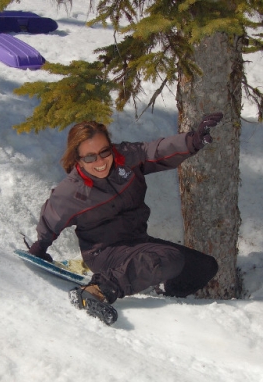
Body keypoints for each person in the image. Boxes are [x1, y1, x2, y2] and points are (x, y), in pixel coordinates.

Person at [29, 113, 222, 325]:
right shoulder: (71, 192)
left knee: (204, 266)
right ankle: (99, 289)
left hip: (137, 241)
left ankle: (166, 298)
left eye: (104, 152)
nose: (100, 161)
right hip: (104, 252)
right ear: (78, 159)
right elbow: (51, 219)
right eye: (90, 157)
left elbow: (155, 150)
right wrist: (40, 247)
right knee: (170, 258)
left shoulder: (126, 159)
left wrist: (191, 141)